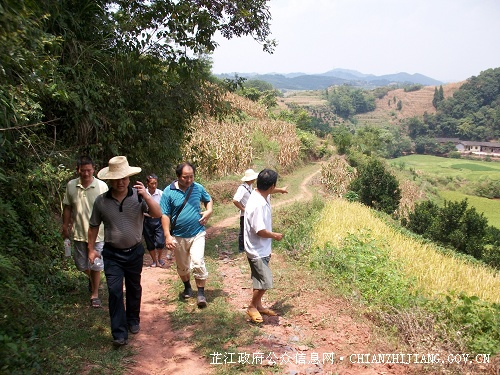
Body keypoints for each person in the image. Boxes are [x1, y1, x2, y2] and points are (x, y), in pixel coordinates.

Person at [88, 156, 161, 347]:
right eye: (116, 179)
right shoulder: (101, 201)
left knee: (134, 287)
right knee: (114, 292)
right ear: (110, 180)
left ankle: (133, 320)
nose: (121, 182)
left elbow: (157, 213)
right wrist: (90, 249)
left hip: (135, 252)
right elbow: (93, 226)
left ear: (129, 178)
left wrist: (146, 195)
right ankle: (119, 333)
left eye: (124, 178)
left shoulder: (138, 197)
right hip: (112, 254)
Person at [160, 162, 213, 308]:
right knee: (182, 266)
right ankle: (187, 286)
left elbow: (208, 200)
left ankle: (201, 294)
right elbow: (165, 215)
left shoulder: (198, 188)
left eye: (191, 177)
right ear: (178, 177)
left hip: (197, 232)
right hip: (178, 235)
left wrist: (209, 211)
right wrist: (167, 236)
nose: (189, 180)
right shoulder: (168, 192)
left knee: (198, 261)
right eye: (185, 177)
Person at [62, 156, 108, 308]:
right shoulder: (71, 186)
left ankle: (94, 295)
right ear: (78, 170)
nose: (86, 173)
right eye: (83, 171)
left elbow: (109, 209)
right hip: (79, 232)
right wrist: (65, 225)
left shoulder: (102, 187)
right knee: (81, 265)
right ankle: (94, 280)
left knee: (95, 265)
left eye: (89, 170)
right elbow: (68, 207)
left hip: (98, 234)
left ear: (93, 169)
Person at [244, 169, 283, 324]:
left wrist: (280, 191)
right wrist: (275, 235)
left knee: (259, 280)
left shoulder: (261, 195)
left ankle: (259, 305)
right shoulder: (258, 204)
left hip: (261, 248)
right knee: (266, 281)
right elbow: (259, 231)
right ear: (271, 186)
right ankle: (252, 306)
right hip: (257, 249)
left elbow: (271, 191)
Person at [233, 169, 288, 253]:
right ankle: (242, 249)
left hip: (251, 213)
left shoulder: (252, 188)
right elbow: (235, 200)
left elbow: (267, 191)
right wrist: (243, 209)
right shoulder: (242, 188)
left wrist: (280, 190)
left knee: (249, 231)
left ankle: (247, 249)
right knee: (244, 232)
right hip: (247, 213)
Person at [143, 174, 167, 267]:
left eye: (155, 183)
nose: (153, 185)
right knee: (149, 242)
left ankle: (160, 258)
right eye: (151, 183)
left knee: (160, 242)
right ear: (147, 183)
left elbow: (164, 207)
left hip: (159, 220)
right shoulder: (142, 193)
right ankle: (154, 261)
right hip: (146, 220)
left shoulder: (161, 193)